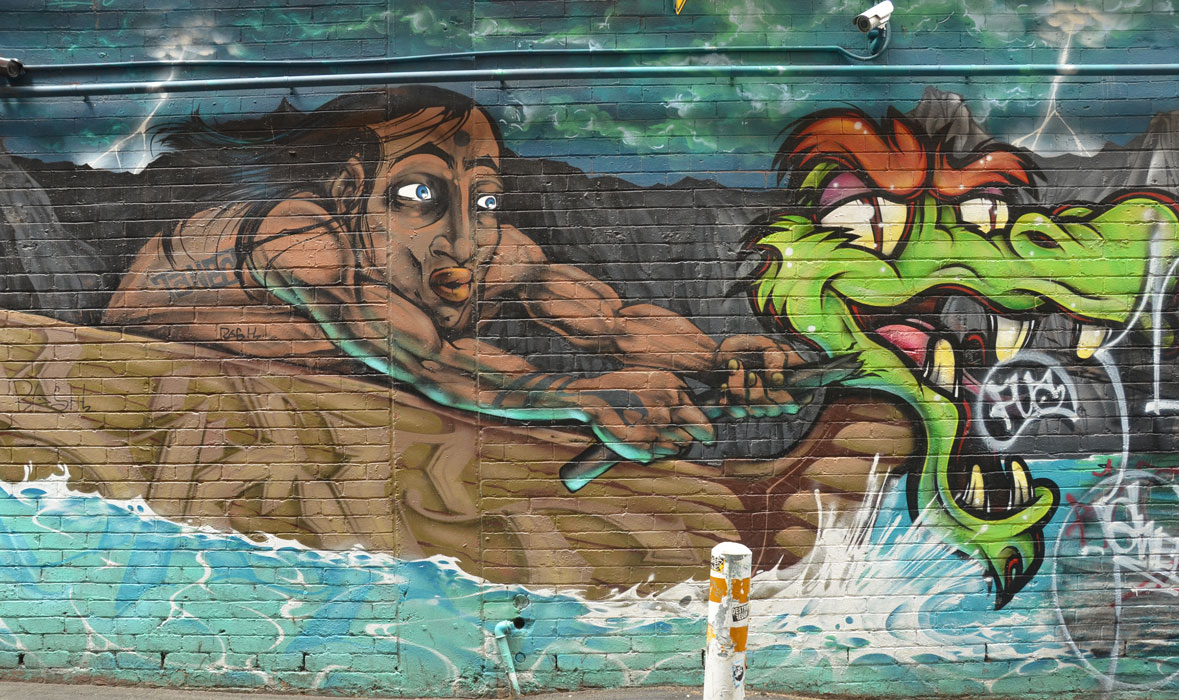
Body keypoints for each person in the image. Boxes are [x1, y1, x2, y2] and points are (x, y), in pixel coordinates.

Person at [103, 87, 804, 465]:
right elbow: (429, 358)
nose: (463, 239)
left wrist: (716, 355)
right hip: (135, 397)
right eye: (420, 197)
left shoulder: (497, 254)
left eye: (486, 198)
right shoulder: (304, 246)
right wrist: (583, 395)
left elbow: (615, 323)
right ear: (352, 193)